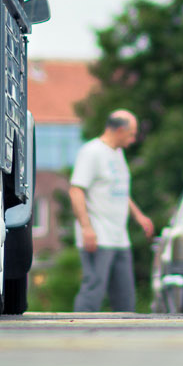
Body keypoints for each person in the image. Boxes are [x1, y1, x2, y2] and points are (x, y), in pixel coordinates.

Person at [69, 110, 154, 313]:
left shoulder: (117, 153)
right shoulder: (92, 152)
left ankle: (124, 337)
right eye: (132, 134)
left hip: (119, 236)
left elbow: (120, 190)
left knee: (125, 295)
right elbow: (76, 190)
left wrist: (138, 215)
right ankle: (77, 333)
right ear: (120, 130)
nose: (133, 140)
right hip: (98, 235)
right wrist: (86, 228)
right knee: (94, 289)